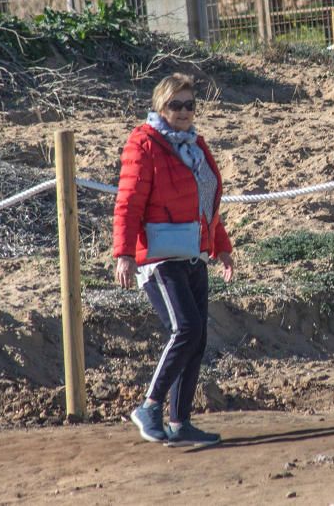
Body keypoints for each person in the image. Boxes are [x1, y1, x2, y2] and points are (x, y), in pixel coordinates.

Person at [113, 72, 234, 446]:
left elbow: (206, 200)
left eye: (189, 105)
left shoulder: (196, 144)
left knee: (197, 337)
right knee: (185, 329)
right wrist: (124, 254)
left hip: (194, 253)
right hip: (161, 256)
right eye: (174, 105)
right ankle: (149, 407)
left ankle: (180, 423)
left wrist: (222, 246)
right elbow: (128, 202)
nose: (183, 112)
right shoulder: (144, 144)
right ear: (159, 107)